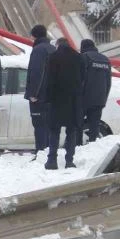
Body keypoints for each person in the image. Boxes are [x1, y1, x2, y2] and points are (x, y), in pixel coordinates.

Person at [45, 38, 83, 170]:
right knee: (71, 131)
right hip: (73, 100)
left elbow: (49, 79)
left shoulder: (53, 57)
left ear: (58, 45)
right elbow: (82, 78)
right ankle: (69, 161)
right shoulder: (78, 57)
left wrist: (47, 98)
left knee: (54, 131)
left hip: (56, 100)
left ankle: (52, 161)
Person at [25, 24, 56, 155]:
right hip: (52, 94)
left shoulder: (38, 50)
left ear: (34, 35)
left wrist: (33, 93)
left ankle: (41, 151)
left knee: (39, 125)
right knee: (49, 125)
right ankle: (49, 151)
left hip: (40, 96)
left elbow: (37, 72)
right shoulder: (53, 49)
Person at [78, 39, 111, 144]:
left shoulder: (84, 57)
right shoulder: (105, 60)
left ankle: (77, 145)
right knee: (94, 125)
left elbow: (79, 79)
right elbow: (108, 82)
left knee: (78, 123)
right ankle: (93, 144)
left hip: (84, 99)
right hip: (99, 99)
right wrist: (104, 99)